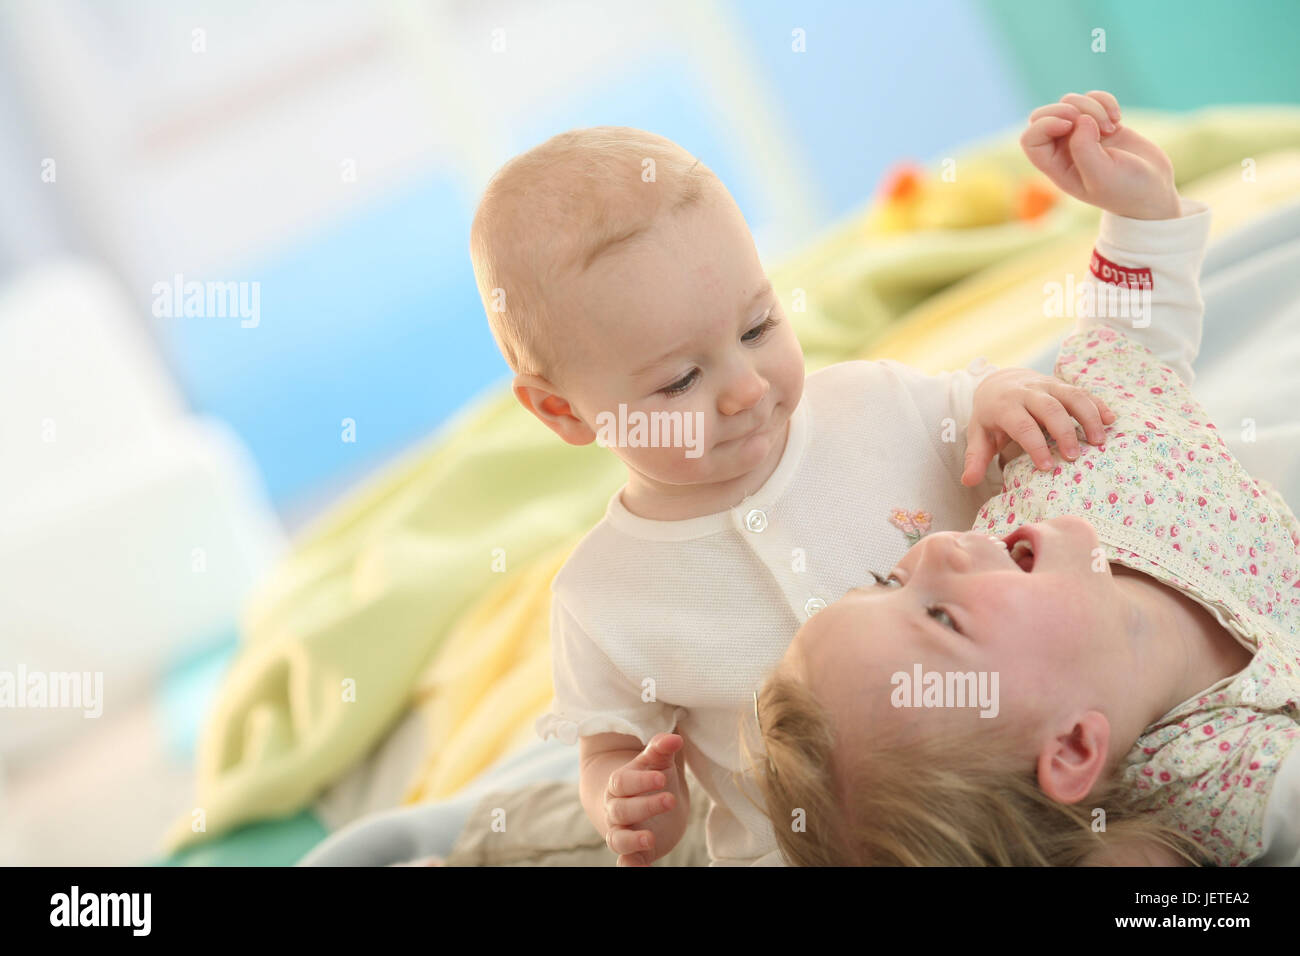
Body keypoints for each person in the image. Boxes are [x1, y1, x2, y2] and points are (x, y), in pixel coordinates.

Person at [465, 96, 1118, 865]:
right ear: (561, 411)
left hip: (998, 794)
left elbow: (972, 406)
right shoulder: (603, 597)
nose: (745, 389)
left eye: (757, 329)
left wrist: (1003, 393)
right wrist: (623, 802)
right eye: (678, 381)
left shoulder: (875, 406)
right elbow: (605, 748)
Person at [752, 93, 1300, 866]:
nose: (933, 552)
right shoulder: (1229, 784)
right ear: (1075, 747)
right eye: (942, 619)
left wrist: (1139, 218)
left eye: (886, 578)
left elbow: (1127, 348)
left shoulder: (1059, 475)